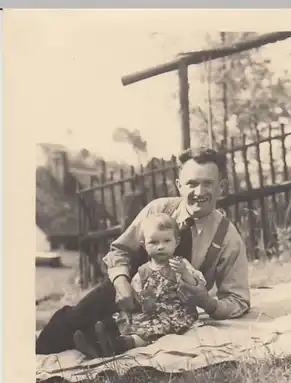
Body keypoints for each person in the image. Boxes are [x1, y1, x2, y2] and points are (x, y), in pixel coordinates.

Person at [36, 147, 251, 356]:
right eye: (192, 183)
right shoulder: (158, 210)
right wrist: (122, 285)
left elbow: (238, 300)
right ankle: (90, 335)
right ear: (179, 186)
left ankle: (105, 340)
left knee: (106, 334)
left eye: (208, 184)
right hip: (130, 293)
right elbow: (120, 250)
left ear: (221, 187)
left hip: (172, 311)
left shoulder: (227, 238)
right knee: (58, 336)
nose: (199, 192)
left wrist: (206, 301)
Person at [73, 213, 207, 358]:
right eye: (154, 243)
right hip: (151, 311)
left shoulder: (180, 264)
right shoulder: (143, 270)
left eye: (167, 241)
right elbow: (136, 292)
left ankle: (122, 344)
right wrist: (137, 301)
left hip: (175, 313)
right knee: (125, 318)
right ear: (144, 245)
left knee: (153, 331)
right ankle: (100, 341)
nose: (161, 247)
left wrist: (184, 273)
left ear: (177, 241)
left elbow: (197, 284)